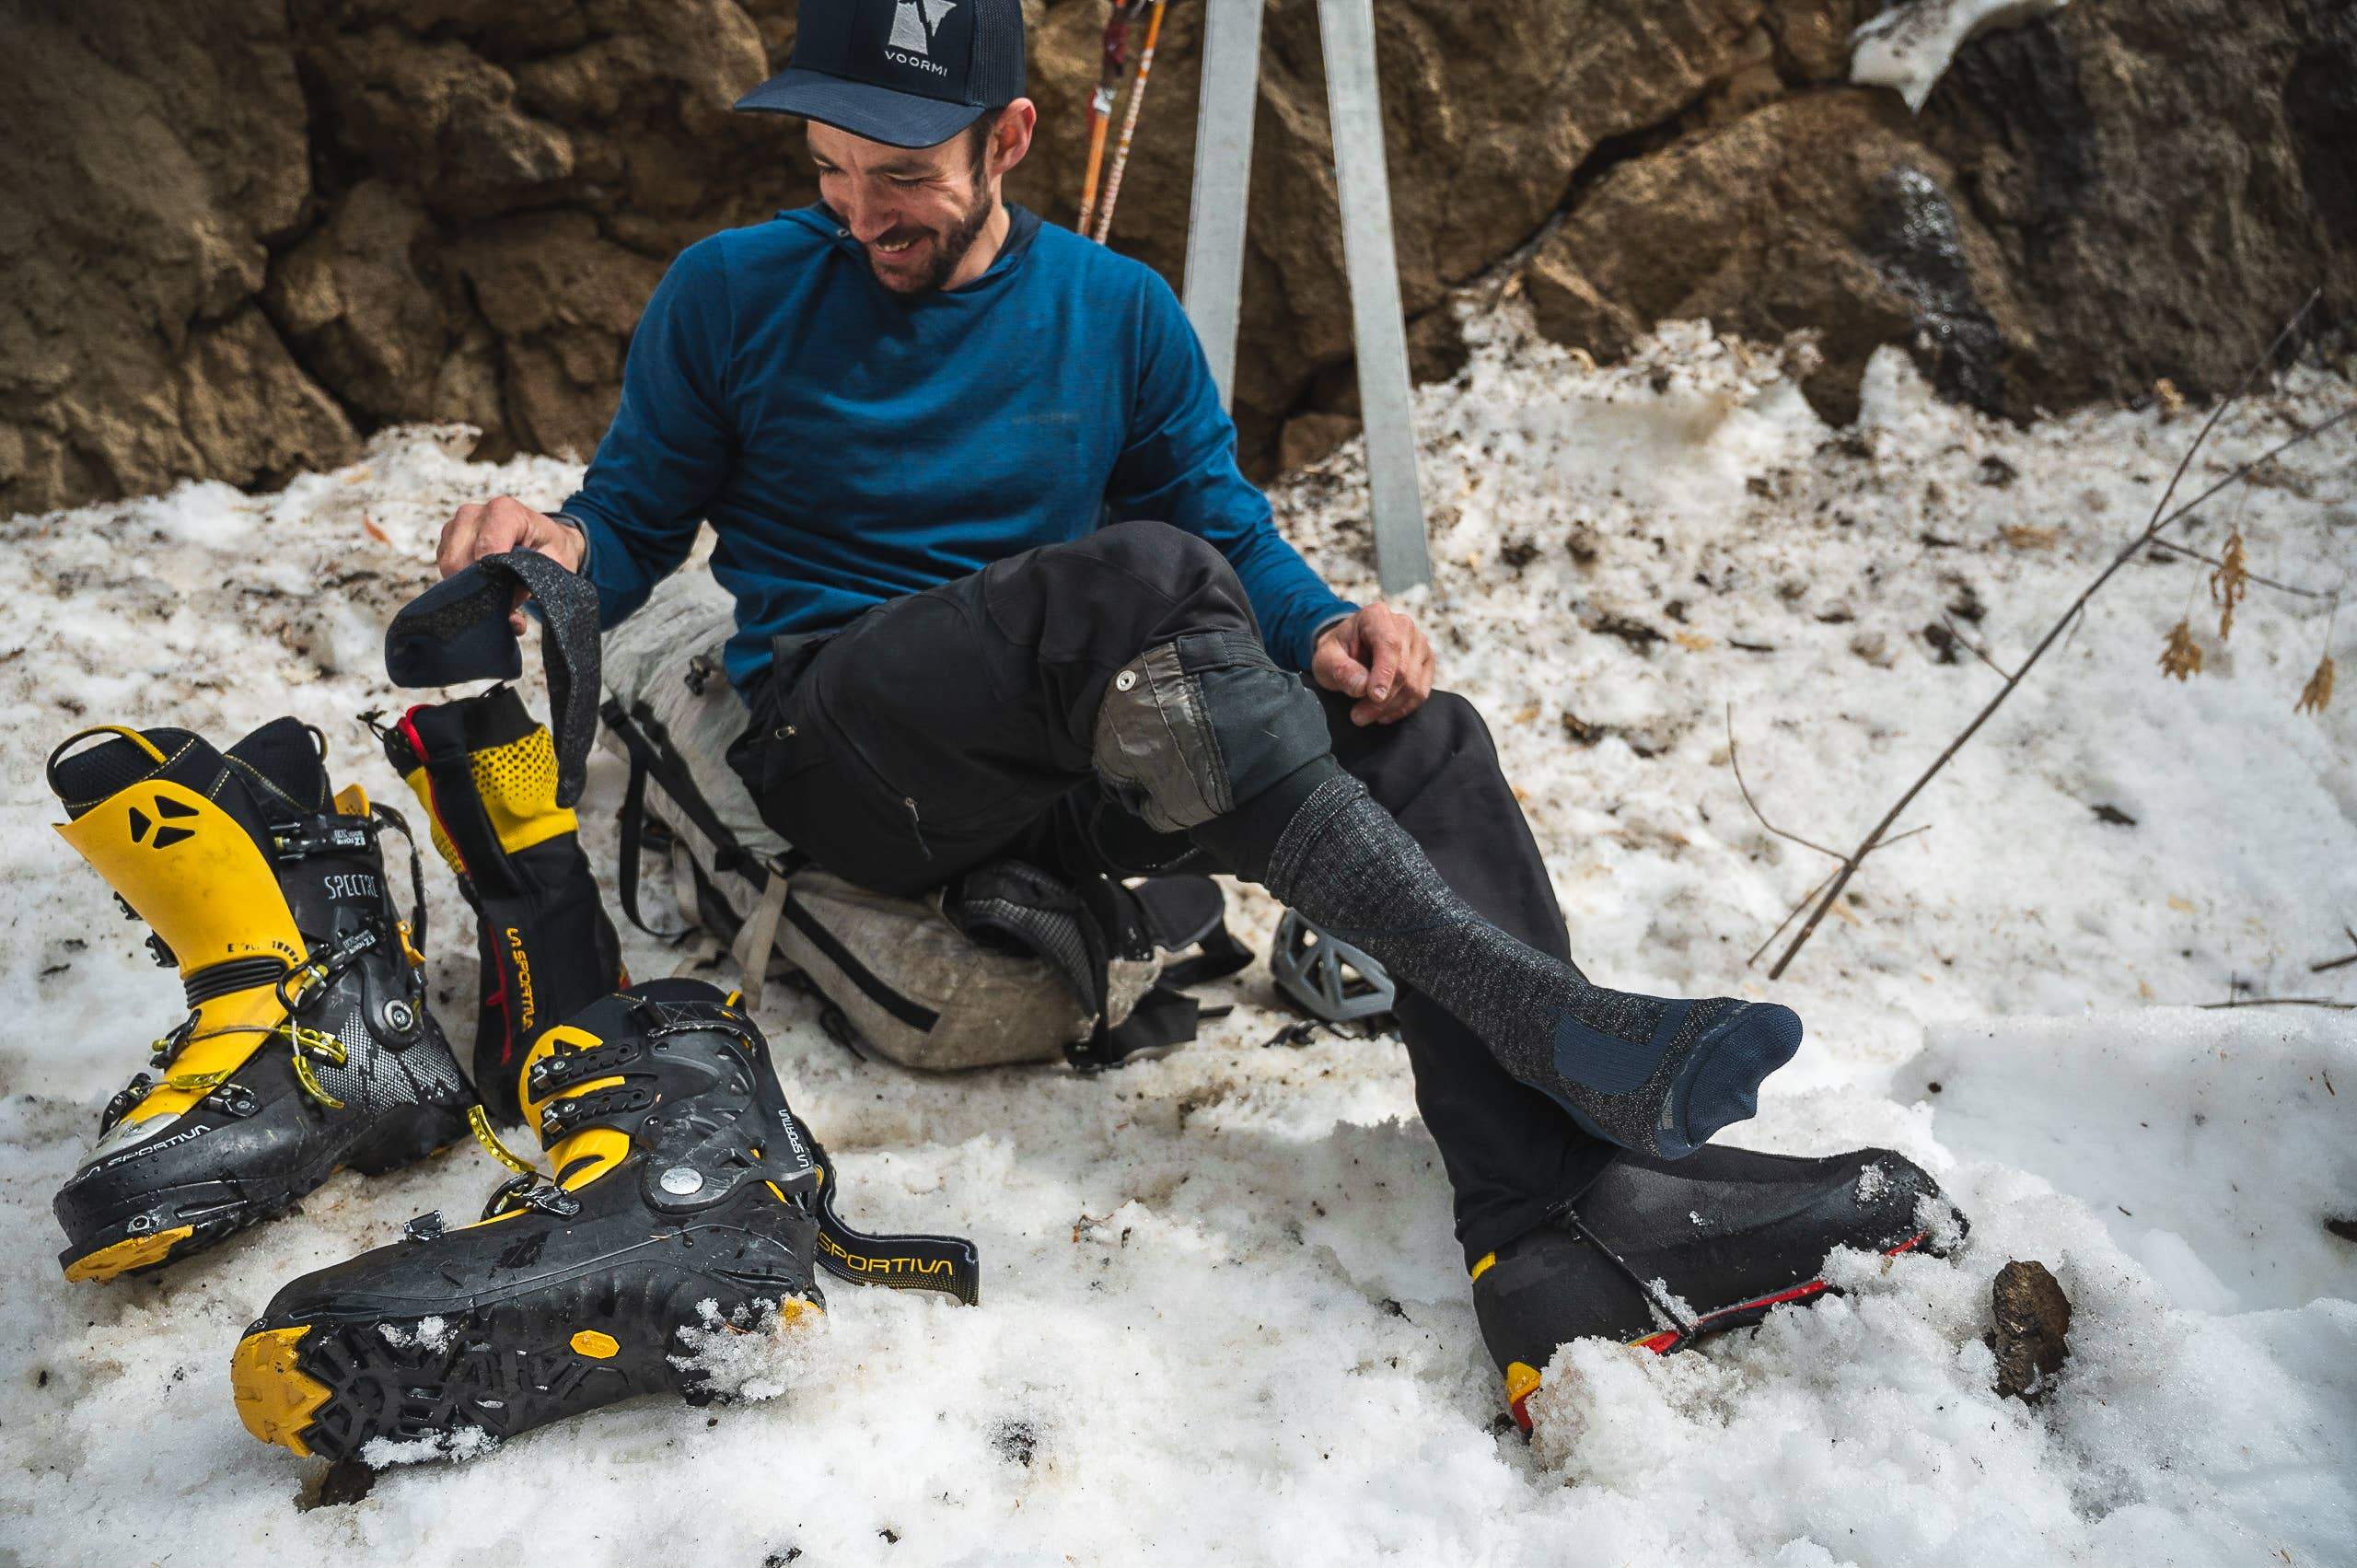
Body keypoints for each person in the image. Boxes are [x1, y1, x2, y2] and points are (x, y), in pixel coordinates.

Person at [324, 0, 1951, 1443]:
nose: (859, 209)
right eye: (832, 165)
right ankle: (1543, 1017)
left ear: (1010, 136)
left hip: (1076, 745)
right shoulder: (732, 294)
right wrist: (545, 544)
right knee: (1134, 589)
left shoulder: (1116, 315)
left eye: (901, 173)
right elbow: (628, 523)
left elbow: (1228, 537)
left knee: (1420, 741)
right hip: (848, 743)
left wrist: (1335, 636)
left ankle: (1547, 1245)